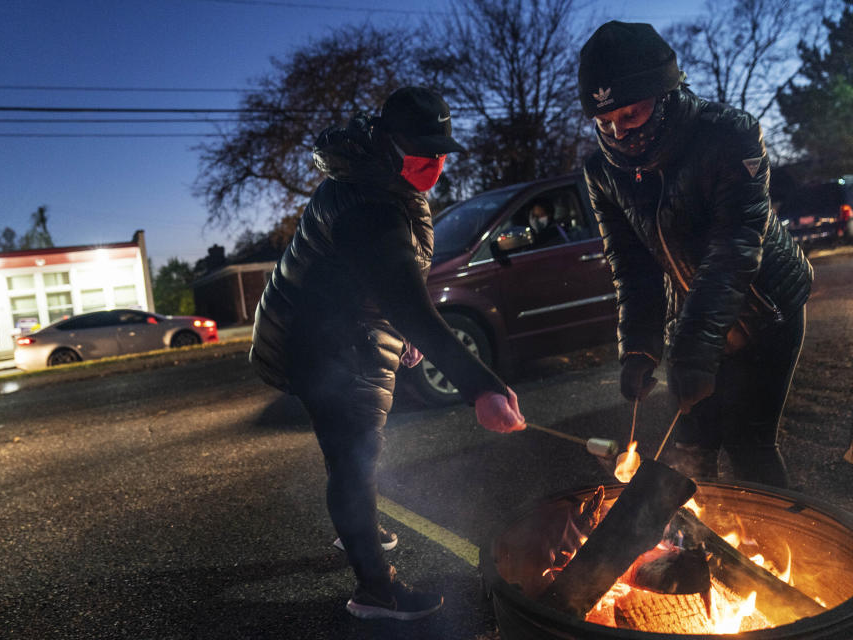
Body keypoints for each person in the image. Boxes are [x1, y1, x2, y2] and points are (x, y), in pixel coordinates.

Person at [249, 86, 526, 621]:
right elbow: (405, 298)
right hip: (330, 344)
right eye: (424, 152)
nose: (436, 164)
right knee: (353, 459)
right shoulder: (368, 203)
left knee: (350, 456)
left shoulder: (377, 180)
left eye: (442, 151)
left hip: (343, 331)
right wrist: (482, 387)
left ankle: (359, 529)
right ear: (388, 142)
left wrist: (405, 329)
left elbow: (389, 282)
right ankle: (375, 589)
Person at [578, 21, 813, 488]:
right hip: (693, 315)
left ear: (665, 95)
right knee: (690, 448)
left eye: (631, 115)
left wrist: (693, 349)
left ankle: (774, 553)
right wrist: (640, 345)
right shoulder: (602, 172)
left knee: (750, 446)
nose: (619, 134)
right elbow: (633, 266)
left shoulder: (730, 136)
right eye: (605, 122)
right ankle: (692, 553)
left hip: (765, 309)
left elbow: (735, 248)